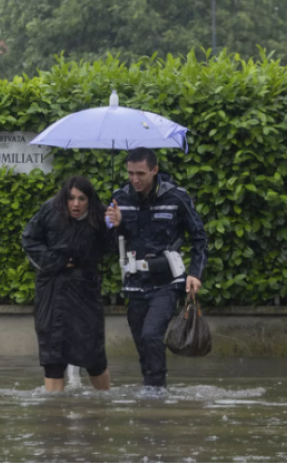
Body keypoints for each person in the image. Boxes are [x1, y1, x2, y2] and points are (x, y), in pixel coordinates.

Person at [105, 147, 208, 392]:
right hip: (134, 281)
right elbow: (108, 243)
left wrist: (195, 273)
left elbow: (199, 238)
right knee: (143, 342)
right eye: (130, 173)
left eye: (140, 173)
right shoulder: (119, 197)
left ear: (155, 170)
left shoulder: (177, 197)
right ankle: (152, 388)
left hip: (167, 281)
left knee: (152, 335)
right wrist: (114, 226)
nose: (135, 179)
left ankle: (156, 392)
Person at [22, 176, 115, 392]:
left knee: (93, 353)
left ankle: (104, 403)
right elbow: (29, 240)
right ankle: (55, 414)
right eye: (71, 198)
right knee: (53, 354)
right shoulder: (49, 210)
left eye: (81, 198)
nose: (75, 204)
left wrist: (115, 225)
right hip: (52, 289)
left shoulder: (101, 215)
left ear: (89, 200)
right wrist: (60, 261)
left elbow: (111, 248)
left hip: (85, 289)